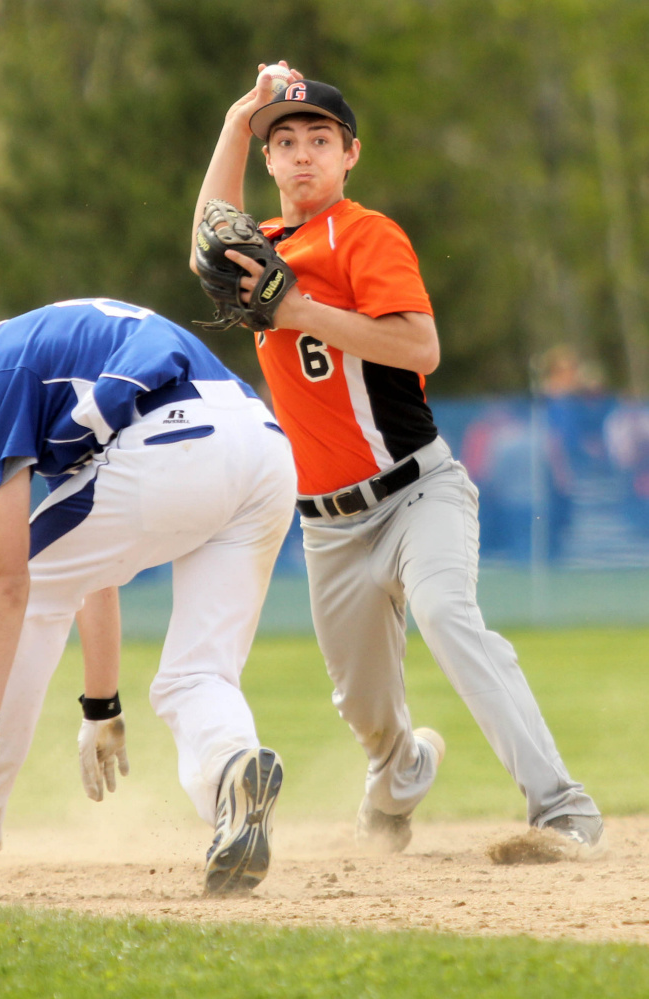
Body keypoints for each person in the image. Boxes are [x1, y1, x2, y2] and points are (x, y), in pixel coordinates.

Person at [189, 67, 603, 853]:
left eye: (319, 140)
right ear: (266, 161)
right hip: (327, 528)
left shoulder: (366, 234)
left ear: (350, 156)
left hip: (418, 494)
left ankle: (560, 807)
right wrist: (236, 117)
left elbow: (421, 346)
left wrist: (300, 309)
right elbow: (207, 235)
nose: (301, 155)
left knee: (450, 617)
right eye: (283, 142)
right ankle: (401, 775)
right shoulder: (260, 249)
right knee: (366, 711)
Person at [0, 275, 295, 892]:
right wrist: (100, 703)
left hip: (176, 443)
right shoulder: (25, 350)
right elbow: (91, 563)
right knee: (197, 672)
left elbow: (8, 581)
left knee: (29, 583)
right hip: (263, 450)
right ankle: (231, 772)